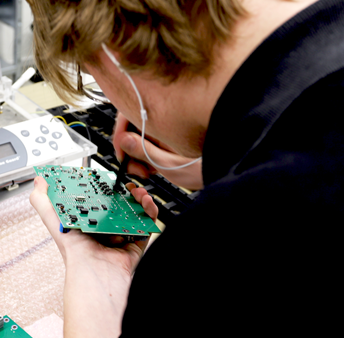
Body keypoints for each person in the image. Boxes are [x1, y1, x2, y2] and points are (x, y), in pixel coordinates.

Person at [27, 0, 344, 336]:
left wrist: (94, 273)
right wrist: (232, 161)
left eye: (89, 71)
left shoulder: (212, 255)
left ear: (107, 46)